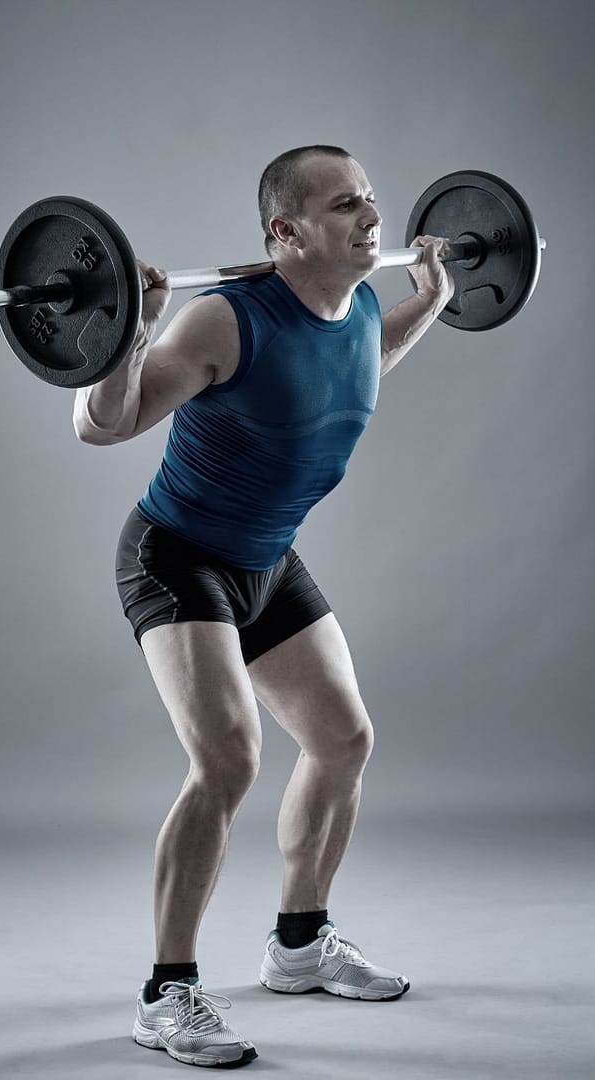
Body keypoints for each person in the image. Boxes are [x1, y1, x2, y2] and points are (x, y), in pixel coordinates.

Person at [73, 145, 454, 1069]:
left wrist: (434, 301)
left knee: (343, 738)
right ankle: (168, 995)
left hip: (265, 561)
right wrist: (127, 330)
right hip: (179, 556)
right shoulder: (223, 320)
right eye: (344, 205)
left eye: (371, 198)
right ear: (285, 233)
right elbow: (100, 424)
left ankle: (298, 944)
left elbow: (362, 361)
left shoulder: (360, 303)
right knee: (229, 761)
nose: (371, 216)